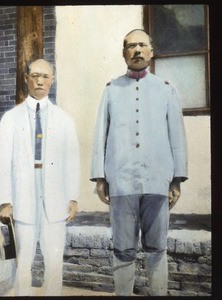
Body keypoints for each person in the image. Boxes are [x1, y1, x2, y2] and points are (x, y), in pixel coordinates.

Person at [90, 29, 188, 296]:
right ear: (124, 53)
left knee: (157, 247)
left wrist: (177, 179)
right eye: (131, 46)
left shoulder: (166, 90)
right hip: (121, 183)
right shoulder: (110, 90)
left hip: (158, 181)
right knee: (123, 248)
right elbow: (100, 134)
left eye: (142, 45)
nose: (136, 50)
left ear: (151, 51)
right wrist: (100, 178)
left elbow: (177, 136)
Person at [0, 58, 80, 296]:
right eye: (34, 76)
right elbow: (1, 161)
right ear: (26, 79)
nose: (39, 81)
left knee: (54, 263)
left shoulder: (64, 119)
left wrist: (73, 196)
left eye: (45, 76)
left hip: (55, 198)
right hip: (23, 198)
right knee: (23, 262)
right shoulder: (11, 118)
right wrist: (4, 200)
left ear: (52, 80)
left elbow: (72, 159)